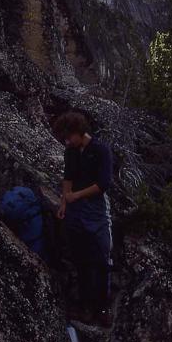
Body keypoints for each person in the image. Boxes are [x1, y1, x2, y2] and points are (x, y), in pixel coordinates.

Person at [53, 111, 113, 327]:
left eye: (69, 137)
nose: (67, 142)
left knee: (101, 259)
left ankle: (103, 308)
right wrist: (64, 203)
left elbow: (103, 184)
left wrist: (76, 196)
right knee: (80, 259)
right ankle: (86, 306)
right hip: (75, 211)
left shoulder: (101, 150)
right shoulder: (70, 152)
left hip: (96, 210)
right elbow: (67, 178)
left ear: (79, 131)